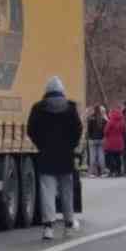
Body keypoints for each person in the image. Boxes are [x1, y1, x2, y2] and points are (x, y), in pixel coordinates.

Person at [27, 76, 82, 240]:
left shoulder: (38, 108)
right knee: (66, 190)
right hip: (65, 155)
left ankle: (48, 227)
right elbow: (77, 130)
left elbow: (31, 130)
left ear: (47, 91)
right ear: (62, 90)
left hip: (46, 154)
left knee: (47, 191)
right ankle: (68, 224)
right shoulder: (70, 108)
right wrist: (71, 146)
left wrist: (41, 144)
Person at [103, 108, 126, 177]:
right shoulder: (123, 122)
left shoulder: (110, 122)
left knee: (110, 157)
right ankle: (118, 171)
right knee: (118, 157)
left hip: (110, 142)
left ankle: (112, 171)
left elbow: (105, 131)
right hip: (119, 141)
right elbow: (124, 131)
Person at [86, 105, 107, 177]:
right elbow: (105, 130)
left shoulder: (91, 118)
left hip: (92, 139)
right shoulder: (103, 119)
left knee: (92, 156)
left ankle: (92, 172)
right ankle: (103, 172)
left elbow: (89, 130)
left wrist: (89, 137)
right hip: (101, 139)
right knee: (101, 156)